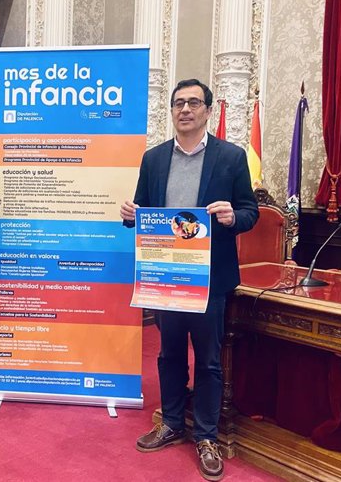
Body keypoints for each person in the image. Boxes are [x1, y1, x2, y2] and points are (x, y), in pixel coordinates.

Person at [120, 79, 258, 481]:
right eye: (178, 103)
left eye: (193, 102)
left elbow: (250, 211)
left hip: (210, 277)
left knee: (210, 360)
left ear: (207, 111)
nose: (185, 109)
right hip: (165, 273)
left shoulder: (231, 158)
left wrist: (234, 217)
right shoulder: (154, 158)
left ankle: (207, 436)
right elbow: (142, 210)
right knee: (169, 354)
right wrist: (130, 215)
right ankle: (173, 422)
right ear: (172, 111)